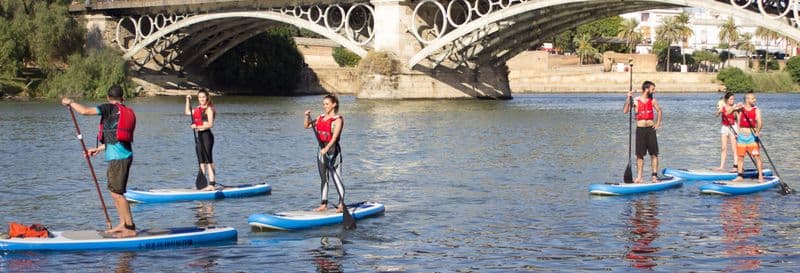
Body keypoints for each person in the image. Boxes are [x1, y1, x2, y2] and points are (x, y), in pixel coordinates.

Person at [61, 85, 136, 237]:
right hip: (119, 156)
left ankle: (130, 228)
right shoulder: (122, 111)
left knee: (118, 193)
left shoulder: (109, 108)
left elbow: (84, 111)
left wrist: (70, 102)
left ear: (108, 98)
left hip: (119, 159)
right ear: (122, 98)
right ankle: (122, 224)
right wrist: (98, 149)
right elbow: (115, 139)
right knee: (115, 192)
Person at [303, 95, 345, 213]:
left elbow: (335, 137)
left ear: (334, 104)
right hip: (321, 151)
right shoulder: (320, 118)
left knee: (337, 178)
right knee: (324, 178)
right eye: (324, 104)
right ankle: (323, 204)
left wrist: (326, 149)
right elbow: (307, 126)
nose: (324, 106)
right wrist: (306, 116)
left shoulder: (338, 120)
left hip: (333, 151)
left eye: (327, 104)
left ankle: (341, 204)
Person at [623, 81, 663, 183]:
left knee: (654, 153)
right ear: (646, 89)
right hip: (640, 130)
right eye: (652, 89)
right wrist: (628, 97)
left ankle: (654, 176)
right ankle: (639, 177)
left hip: (650, 129)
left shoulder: (652, 100)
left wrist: (657, 124)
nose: (654, 91)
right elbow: (625, 111)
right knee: (639, 155)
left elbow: (659, 111)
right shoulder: (636, 101)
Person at [185, 91, 216, 191]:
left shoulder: (209, 109)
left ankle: (212, 184)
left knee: (208, 160)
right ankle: (202, 184)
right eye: (199, 97)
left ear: (207, 97)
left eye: (203, 97)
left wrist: (197, 126)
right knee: (201, 161)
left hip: (207, 136)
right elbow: (187, 112)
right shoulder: (198, 109)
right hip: (199, 136)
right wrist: (187, 100)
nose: (201, 99)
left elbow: (210, 124)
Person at [732, 92, 764, 182]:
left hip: (751, 137)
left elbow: (760, 122)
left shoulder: (756, 110)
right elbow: (728, 112)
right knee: (740, 157)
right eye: (753, 98)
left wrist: (757, 131)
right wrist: (735, 108)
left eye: (755, 98)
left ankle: (761, 176)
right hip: (741, 137)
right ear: (747, 99)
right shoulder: (740, 109)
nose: (755, 100)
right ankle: (740, 176)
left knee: (756, 157)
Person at [716, 92, 738, 171]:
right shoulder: (723, 107)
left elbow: (737, 118)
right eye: (731, 99)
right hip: (724, 127)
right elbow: (716, 115)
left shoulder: (736, 107)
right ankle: (721, 166)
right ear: (727, 100)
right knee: (723, 148)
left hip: (733, 127)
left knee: (734, 148)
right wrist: (719, 111)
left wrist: (735, 110)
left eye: (733, 99)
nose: (733, 101)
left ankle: (735, 166)